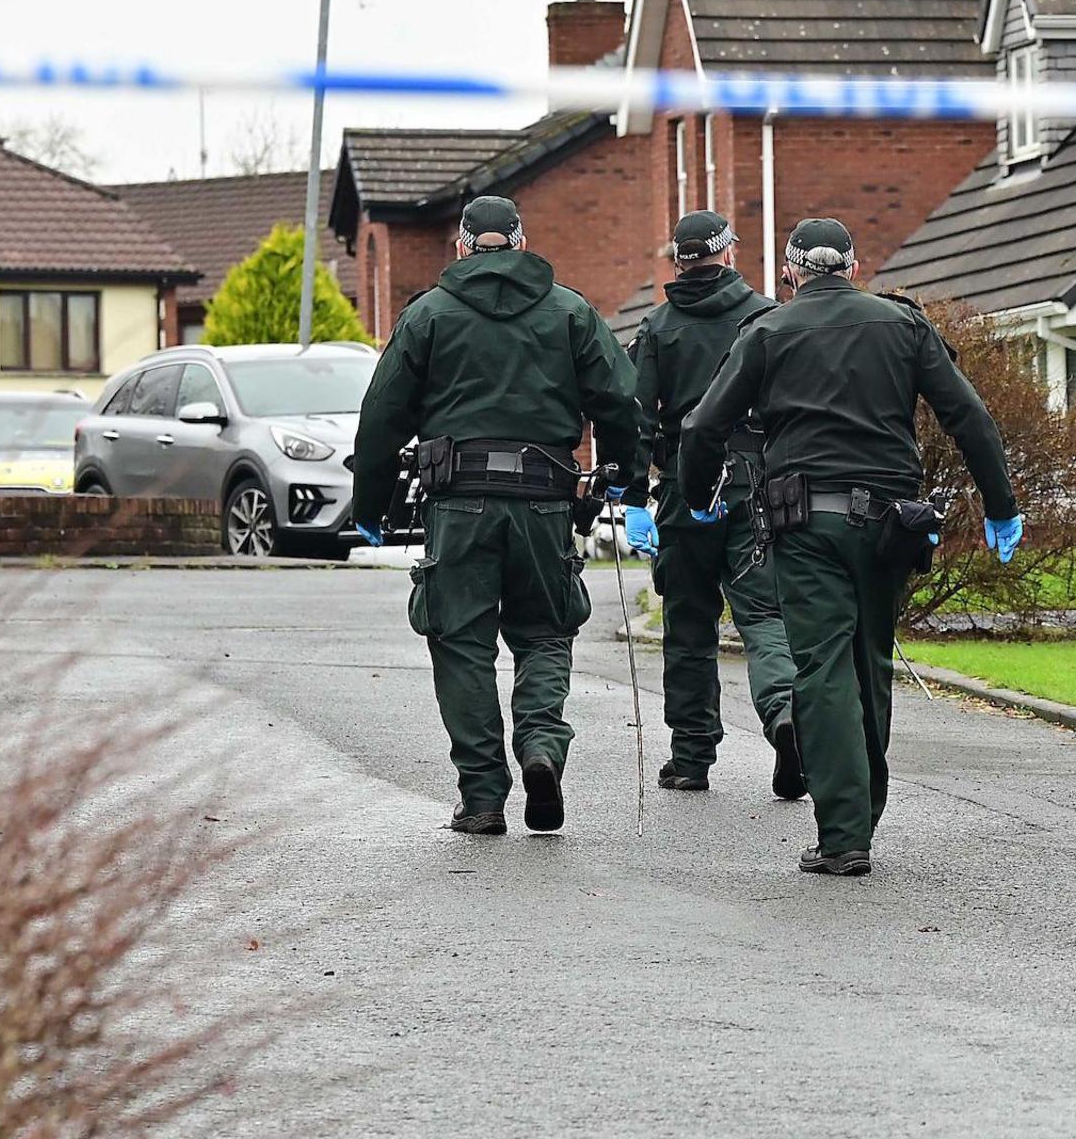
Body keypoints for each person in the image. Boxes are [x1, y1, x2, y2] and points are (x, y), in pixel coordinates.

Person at [679, 217, 1020, 877]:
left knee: (823, 666)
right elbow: (968, 417)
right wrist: (1001, 506)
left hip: (804, 526)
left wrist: (699, 496)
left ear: (791, 271)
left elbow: (703, 427)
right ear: (855, 268)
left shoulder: (768, 331)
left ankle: (843, 834)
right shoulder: (904, 326)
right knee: (869, 659)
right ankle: (863, 813)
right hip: (889, 524)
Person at [350, 195, 643, 838]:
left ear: (461, 246)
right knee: (545, 629)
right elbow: (621, 400)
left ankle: (482, 798)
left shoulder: (427, 315)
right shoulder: (570, 311)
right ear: (518, 242)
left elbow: (381, 416)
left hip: (457, 501)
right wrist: (628, 475)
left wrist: (369, 504)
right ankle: (540, 742)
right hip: (544, 498)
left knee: (461, 643)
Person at [624, 210, 802, 799]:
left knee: (689, 626)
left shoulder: (656, 328)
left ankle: (691, 758)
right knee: (765, 616)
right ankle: (784, 717)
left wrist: (631, 497)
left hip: (681, 487)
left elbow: (634, 419)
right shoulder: (771, 318)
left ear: (678, 260)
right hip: (755, 487)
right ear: (728, 255)